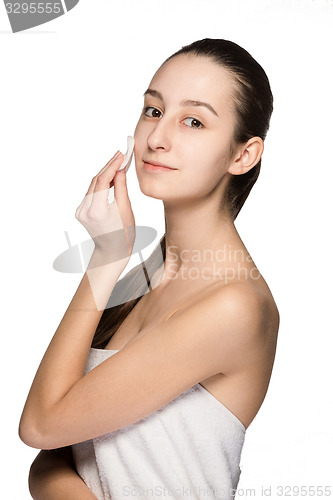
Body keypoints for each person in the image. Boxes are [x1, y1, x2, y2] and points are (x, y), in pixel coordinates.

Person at [20, 38, 279, 500]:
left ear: (244, 155)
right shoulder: (143, 276)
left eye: (194, 121)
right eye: (153, 111)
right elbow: (52, 453)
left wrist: (104, 259)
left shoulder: (234, 306)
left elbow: (40, 425)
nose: (157, 138)